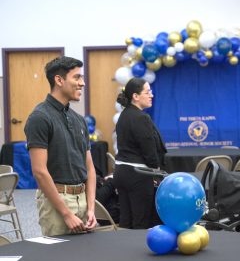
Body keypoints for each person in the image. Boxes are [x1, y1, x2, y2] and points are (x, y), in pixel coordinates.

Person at [24, 56, 97, 236]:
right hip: (56, 203)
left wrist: (91, 208)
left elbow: (89, 167)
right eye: (77, 77)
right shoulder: (40, 117)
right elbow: (39, 171)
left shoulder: (79, 120)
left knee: (84, 259)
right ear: (59, 80)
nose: (83, 83)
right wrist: (66, 213)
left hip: (83, 200)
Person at [113, 77, 167, 229]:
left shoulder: (123, 115)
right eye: (147, 92)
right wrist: (156, 172)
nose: (151, 95)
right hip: (138, 175)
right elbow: (149, 151)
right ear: (135, 96)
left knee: (125, 221)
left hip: (121, 172)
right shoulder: (141, 117)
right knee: (141, 222)